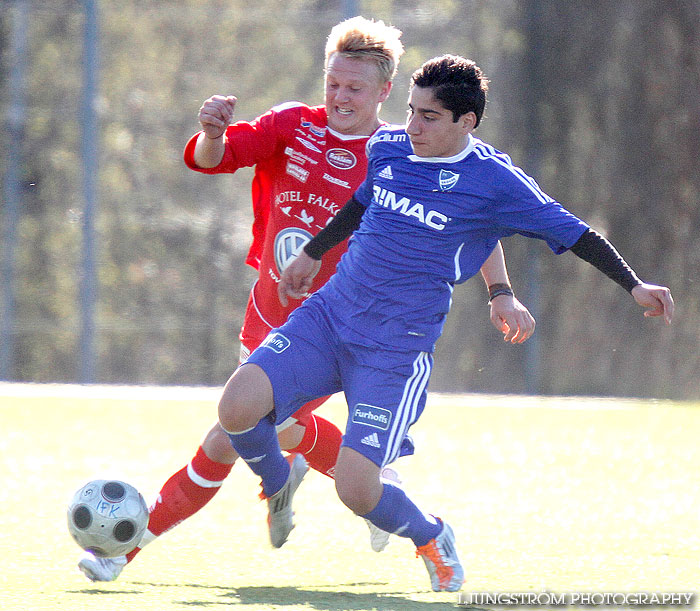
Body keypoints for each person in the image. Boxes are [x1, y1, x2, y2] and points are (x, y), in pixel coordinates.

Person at [78, 22, 535, 582]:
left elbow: (475, 218)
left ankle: (127, 548)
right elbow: (212, 158)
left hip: (347, 327)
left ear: (384, 92)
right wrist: (212, 131)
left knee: (229, 438)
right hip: (272, 313)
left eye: (355, 89)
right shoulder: (292, 124)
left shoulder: (405, 148)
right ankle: (361, 488)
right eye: (333, 84)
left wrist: (501, 292)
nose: (340, 97)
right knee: (266, 430)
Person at [215, 54, 674, 593]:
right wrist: (314, 252)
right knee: (237, 407)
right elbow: (362, 204)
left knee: (356, 490)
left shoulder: (495, 181)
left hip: (393, 350)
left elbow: (575, 233)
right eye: (410, 111)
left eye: (429, 117)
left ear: (467, 122)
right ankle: (277, 484)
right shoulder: (388, 148)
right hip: (328, 316)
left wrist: (634, 284)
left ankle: (430, 534)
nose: (411, 127)